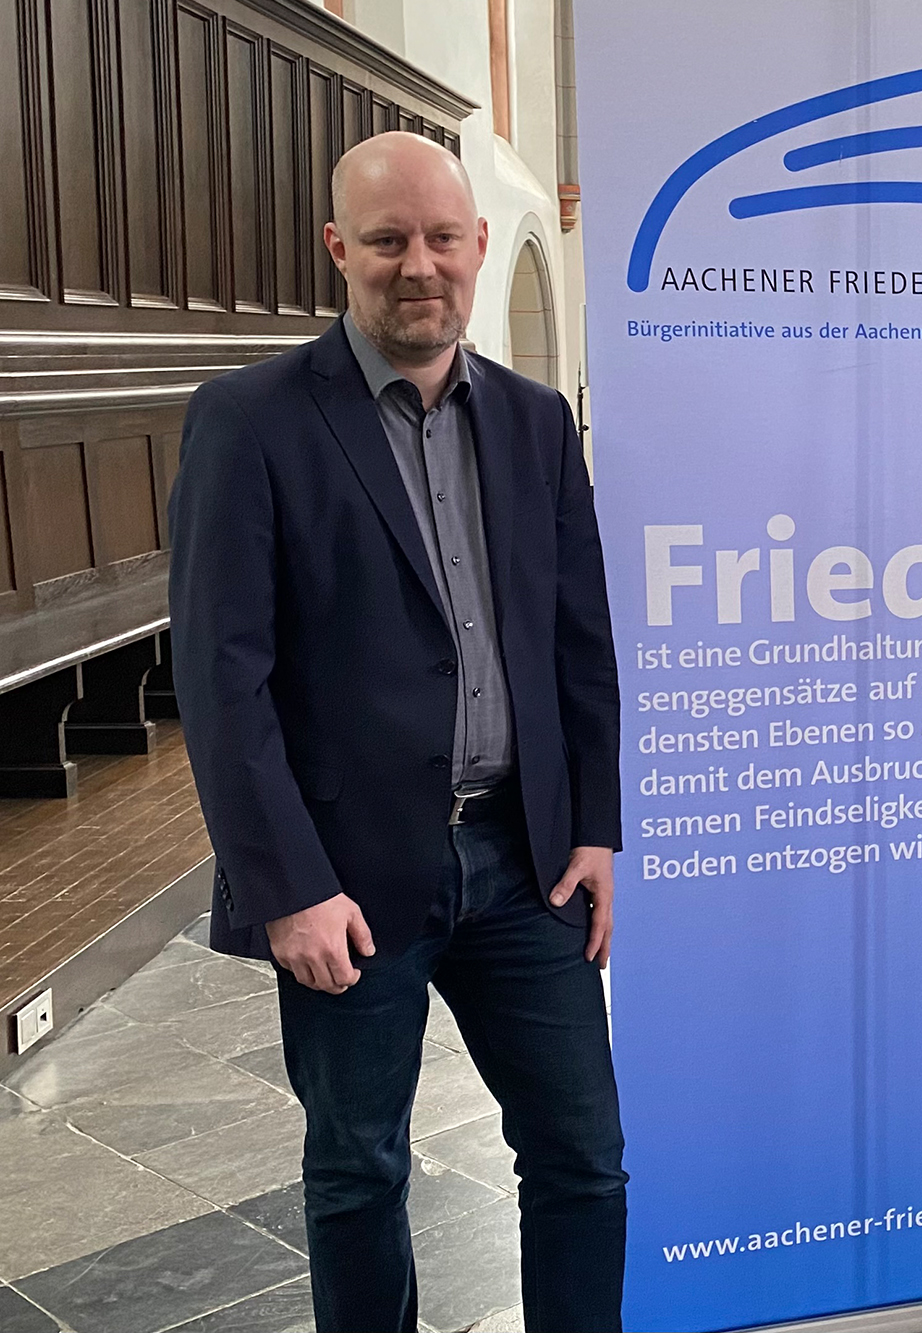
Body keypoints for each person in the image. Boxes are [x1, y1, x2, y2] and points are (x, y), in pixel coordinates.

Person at [168, 132, 627, 1333]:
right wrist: (284, 888)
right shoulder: (250, 422)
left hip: (525, 867)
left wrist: (592, 825)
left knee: (584, 1162)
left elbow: (580, 639)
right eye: (386, 240)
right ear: (339, 250)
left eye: (439, 238)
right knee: (359, 1169)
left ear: (479, 248)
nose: (417, 265)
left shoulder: (534, 423)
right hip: (349, 882)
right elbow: (223, 682)